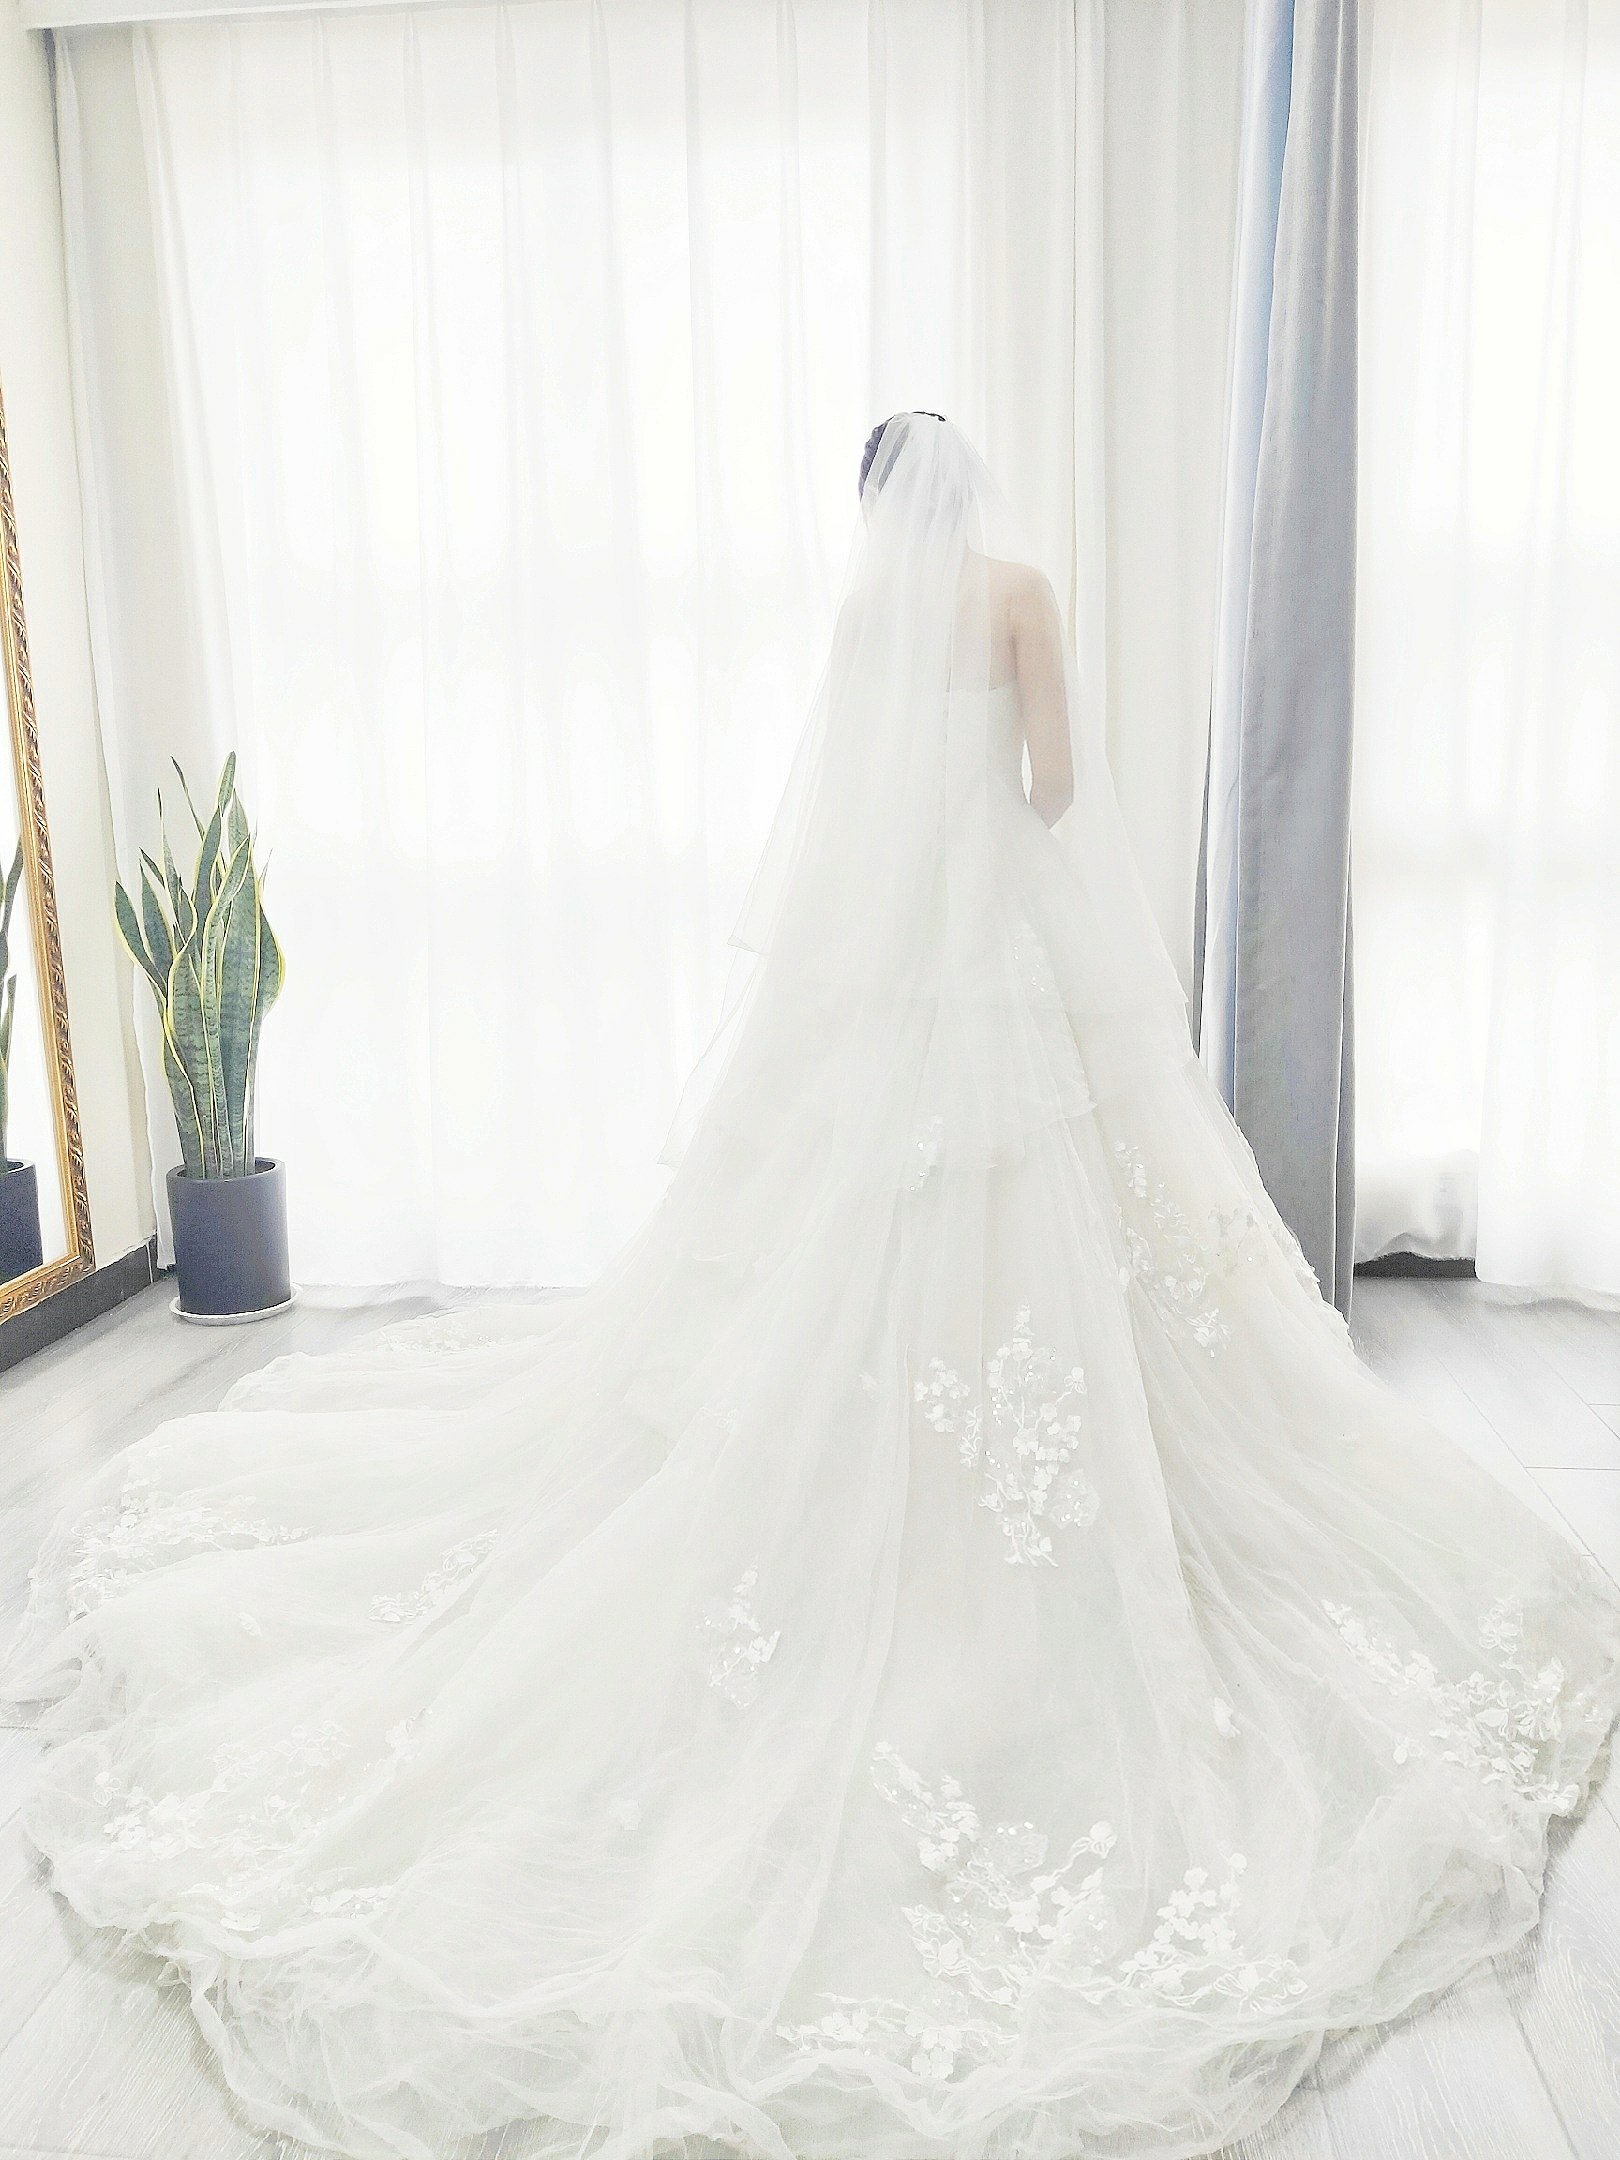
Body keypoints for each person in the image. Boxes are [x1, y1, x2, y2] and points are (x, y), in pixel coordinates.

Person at [7, 414, 1617, 2160]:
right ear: (972, 491)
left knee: (824, 1241)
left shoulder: (866, 613)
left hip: (881, 964)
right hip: (1000, 946)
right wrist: (991, 822)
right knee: (1069, 1223)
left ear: (873, 508)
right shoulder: (1022, 591)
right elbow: (1055, 785)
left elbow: (846, 790)